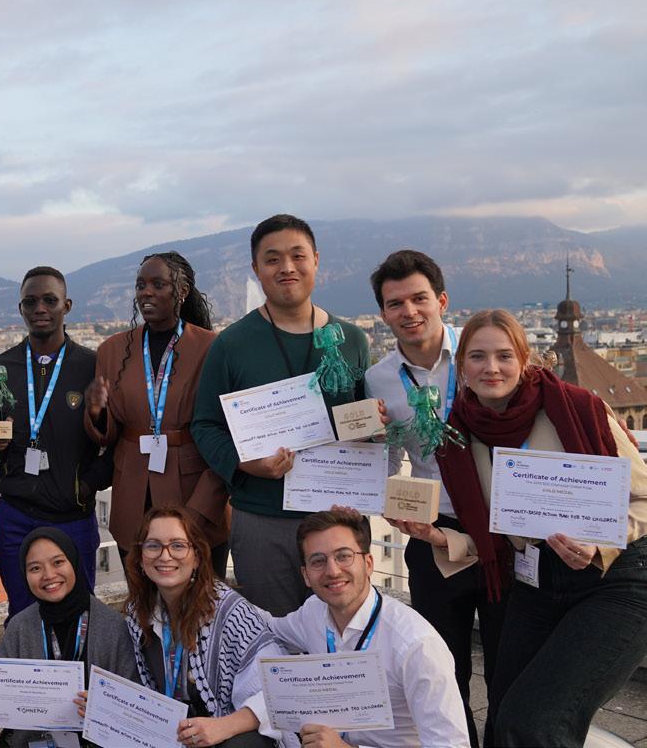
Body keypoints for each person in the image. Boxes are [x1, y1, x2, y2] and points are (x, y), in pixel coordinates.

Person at [412, 309, 647, 746]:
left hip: (615, 579)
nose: (491, 367)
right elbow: (497, 536)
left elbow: (644, 498)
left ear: (524, 360)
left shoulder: (577, 408)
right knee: (502, 720)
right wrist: (436, 536)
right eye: (478, 356)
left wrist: (599, 544)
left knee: (536, 723)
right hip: (537, 580)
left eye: (504, 355)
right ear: (462, 366)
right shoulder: (460, 434)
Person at [191, 214, 373, 616]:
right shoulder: (231, 344)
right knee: (271, 633)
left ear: (316, 260)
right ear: (256, 269)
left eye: (297, 256)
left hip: (337, 517)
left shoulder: (352, 340)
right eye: (272, 259)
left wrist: (377, 427)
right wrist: (244, 463)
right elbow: (205, 425)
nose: (286, 267)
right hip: (262, 517)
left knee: (345, 631)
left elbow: (366, 425)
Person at [362, 251, 498, 747]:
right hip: (432, 531)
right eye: (395, 303)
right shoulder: (379, 379)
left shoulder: (481, 354)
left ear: (441, 300)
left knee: (508, 662)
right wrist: (377, 468)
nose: (409, 311)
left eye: (419, 298)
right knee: (442, 667)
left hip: (500, 528)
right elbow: (388, 457)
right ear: (384, 313)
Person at [270, 508, 468, 748]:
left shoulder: (417, 645)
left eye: (344, 556)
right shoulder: (313, 613)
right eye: (318, 561)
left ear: (368, 563)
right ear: (306, 575)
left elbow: (450, 745)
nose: (332, 571)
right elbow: (266, 628)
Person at [85, 251, 229, 577]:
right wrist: (96, 412)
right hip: (133, 497)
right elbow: (109, 434)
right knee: (144, 600)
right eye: (140, 285)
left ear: (182, 291)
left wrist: (200, 510)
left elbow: (225, 436)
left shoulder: (212, 348)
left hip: (195, 498)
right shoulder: (112, 350)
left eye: (158, 284)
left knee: (202, 600)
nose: (146, 293)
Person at [0, 267, 104, 616]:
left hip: (73, 515)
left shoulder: (92, 366)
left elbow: (114, 440)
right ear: (20, 309)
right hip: (16, 515)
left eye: (50, 300)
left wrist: (87, 486)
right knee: (23, 615)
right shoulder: (0, 369)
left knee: (79, 613)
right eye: (30, 302)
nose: (40, 309)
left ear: (67, 305)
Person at [122, 508, 281, 748]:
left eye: (177, 546)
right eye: (153, 546)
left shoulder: (231, 612)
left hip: (226, 736)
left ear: (196, 557)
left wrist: (222, 727)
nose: (165, 556)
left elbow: (274, 694)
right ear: (141, 559)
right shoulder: (137, 613)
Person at [0, 526, 139, 748]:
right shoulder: (19, 627)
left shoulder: (113, 626)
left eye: (58, 562)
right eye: (35, 568)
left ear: (74, 562)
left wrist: (105, 708)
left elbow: (134, 706)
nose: (48, 575)